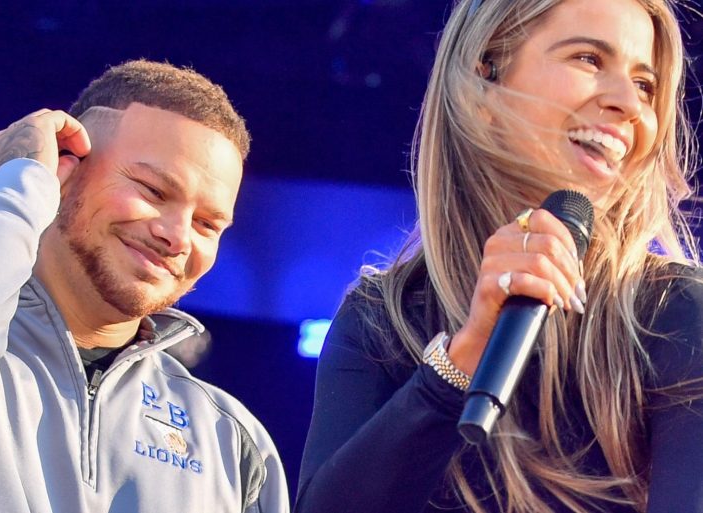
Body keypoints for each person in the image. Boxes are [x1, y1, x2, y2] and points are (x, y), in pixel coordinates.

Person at [296, 0, 703, 512]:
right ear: (483, 81)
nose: (629, 104)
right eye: (588, 59)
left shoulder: (676, 314)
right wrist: (459, 364)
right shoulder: (381, 319)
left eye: (645, 85)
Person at [0, 59, 288, 513]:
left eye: (207, 224)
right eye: (153, 190)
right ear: (65, 170)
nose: (178, 237)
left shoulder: (234, 441)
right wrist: (18, 186)